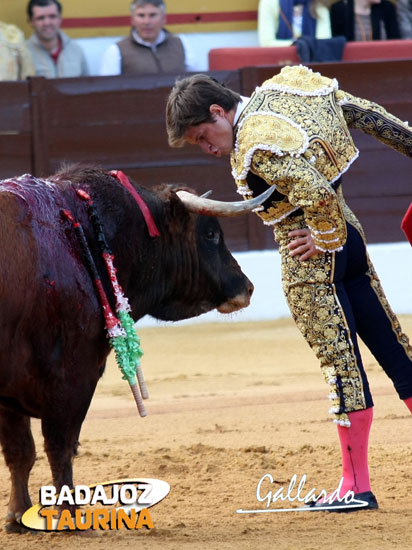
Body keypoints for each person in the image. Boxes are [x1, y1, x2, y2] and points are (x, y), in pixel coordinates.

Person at [166, 66, 412, 511]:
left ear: (219, 112)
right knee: (397, 353)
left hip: (311, 259)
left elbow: (315, 195)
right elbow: (363, 112)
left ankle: (355, 487)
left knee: (343, 371)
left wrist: (323, 235)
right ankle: (354, 485)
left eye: (204, 136)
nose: (208, 148)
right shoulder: (285, 89)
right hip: (351, 240)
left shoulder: (254, 147)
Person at [99, 0, 195, 76]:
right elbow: (106, 91)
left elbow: (196, 83)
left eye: (152, 15)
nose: (147, 21)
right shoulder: (116, 50)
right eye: (141, 15)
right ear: (133, 20)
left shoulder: (181, 44)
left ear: (163, 19)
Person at [26, 0, 89, 78]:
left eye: (52, 16)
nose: (47, 23)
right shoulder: (23, 53)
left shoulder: (76, 49)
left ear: (60, 18)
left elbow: (87, 86)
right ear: (31, 21)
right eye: (41, 18)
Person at [258, 0, 332, 47]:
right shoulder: (269, 2)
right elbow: (266, 42)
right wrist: (298, 45)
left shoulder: (319, 3)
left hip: (311, 65)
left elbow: (324, 43)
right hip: (281, 63)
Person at [330, 0, 401, 41]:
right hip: (352, 64)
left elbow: (395, 43)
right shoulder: (338, 10)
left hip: (383, 62)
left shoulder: (387, 7)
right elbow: (338, 47)